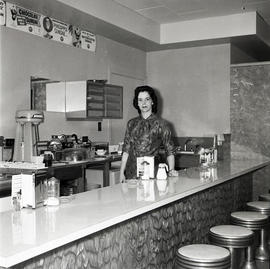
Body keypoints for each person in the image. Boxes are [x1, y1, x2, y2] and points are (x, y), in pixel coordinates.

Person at [120, 85, 178, 181]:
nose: (144, 103)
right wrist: (122, 172)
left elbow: (170, 151)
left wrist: (171, 170)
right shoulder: (131, 123)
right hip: (132, 174)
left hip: (153, 174)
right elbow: (126, 150)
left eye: (147, 99)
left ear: (152, 101)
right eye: (140, 100)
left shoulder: (162, 124)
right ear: (137, 103)